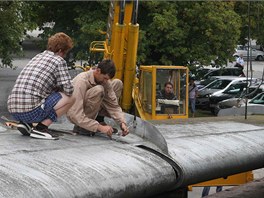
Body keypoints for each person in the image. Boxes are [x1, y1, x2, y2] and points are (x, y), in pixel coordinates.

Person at [7, 32, 75, 139]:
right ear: (61, 50)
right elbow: (69, 90)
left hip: (13, 109)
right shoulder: (59, 60)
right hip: (31, 112)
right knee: (71, 98)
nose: (65, 56)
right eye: (65, 53)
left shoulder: (37, 57)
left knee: (40, 93)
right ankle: (41, 128)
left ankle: (26, 124)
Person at [66, 59, 129, 138]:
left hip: (90, 112)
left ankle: (98, 120)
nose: (106, 81)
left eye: (107, 79)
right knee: (99, 90)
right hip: (76, 114)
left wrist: (122, 122)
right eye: (105, 78)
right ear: (98, 71)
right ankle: (83, 127)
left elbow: (113, 105)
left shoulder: (104, 81)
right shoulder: (81, 81)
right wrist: (99, 127)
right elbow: (74, 114)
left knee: (117, 83)